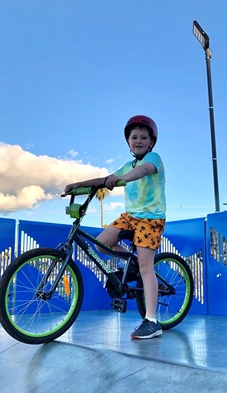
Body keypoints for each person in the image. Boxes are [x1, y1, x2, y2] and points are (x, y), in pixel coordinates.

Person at [64, 115, 166, 339]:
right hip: (130, 217)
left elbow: (144, 171)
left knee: (146, 270)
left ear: (151, 142)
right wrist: (77, 185)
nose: (138, 141)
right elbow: (105, 178)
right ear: (128, 142)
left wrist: (124, 179)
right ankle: (135, 261)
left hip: (150, 218)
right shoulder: (127, 165)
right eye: (134, 137)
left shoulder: (153, 158)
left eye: (143, 137)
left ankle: (151, 321)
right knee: (101, 244)